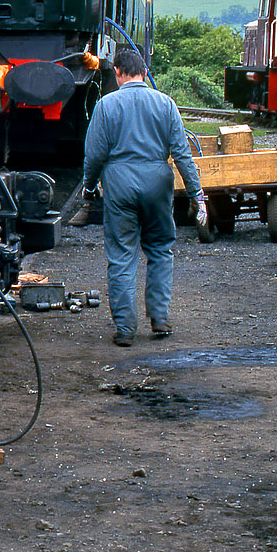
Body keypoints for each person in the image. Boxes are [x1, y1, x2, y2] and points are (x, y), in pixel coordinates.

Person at [83, 48, 206, 348]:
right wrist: (196, 194)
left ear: (118, 72)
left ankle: (125, 329)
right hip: (157, 183)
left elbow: (95, 154)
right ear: (143, 71)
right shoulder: (165, 104)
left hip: (119, 183)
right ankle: (160, 318)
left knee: (122, 255)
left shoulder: (106, 105)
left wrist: (89, 186)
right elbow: (182, 154)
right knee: (161, 249)